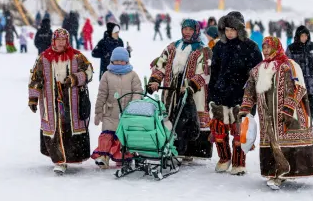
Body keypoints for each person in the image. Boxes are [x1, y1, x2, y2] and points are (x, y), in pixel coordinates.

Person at [239, 36, 313, 190]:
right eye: (264, 48)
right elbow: (249, 90)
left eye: (268, 47)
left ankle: (287, 171)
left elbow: (299, 87)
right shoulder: (257, 69)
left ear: (276, 47)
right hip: (267, 114)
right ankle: (274, 172)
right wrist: (245, 108)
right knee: (271, 140)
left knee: (285, 141)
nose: (266, 51)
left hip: (288, 113)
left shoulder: (289, 65)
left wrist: (289, 108)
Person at [28, 28, 94, 174]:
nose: (61, 43)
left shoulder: (77, 56)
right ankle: (59, 161)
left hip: (72, 99)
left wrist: (75, 78)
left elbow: (89, 71)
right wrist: (33, 98)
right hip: (51, 100)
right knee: (55, 129)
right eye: (58, 40)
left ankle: (69, 157)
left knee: (68, 128)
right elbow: (35, 78)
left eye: (64, 40)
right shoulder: (44, 57)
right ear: (53, 40)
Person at [148, 19, 212, 161]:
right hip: (171, 91)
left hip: (192, 93)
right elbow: (161, 65)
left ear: (196, 30)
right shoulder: (172, 47)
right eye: (185, 29)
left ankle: (190, 151)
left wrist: (190, 87)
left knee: (189, 119)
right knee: (171, 118)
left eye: (190, 29)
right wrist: (155, 81)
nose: (187, 32)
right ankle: (173, 147)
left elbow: (204, 73)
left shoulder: (203, 50)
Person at [208, 13, 262, 174]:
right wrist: (211, 95)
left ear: (240, 29)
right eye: (226, 29)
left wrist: (252, 97)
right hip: (220, 94)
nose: (229, 33)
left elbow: (256, 74)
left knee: (239, 132)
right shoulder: (218, 46)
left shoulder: (251, 47)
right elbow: (215, 72)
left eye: (233, 29)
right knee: (219, 131)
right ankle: (224, 158)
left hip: (241, 95)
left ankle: (239, 163)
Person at [91, 47, 143, 169]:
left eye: (122, 60)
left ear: (127, 61)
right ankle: (104, 157)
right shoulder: (107, 75)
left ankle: (123, 158)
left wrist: (134, 105)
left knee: (123, 138)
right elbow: (102, 95)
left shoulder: (132, 75)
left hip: (127, 114)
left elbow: (138, 91)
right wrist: (98, 112)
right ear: (112, 60)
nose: (119, 62)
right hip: (110, 113)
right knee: (107, 136)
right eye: (117, 60)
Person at [286, 26, 313, 119]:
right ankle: (300, 127)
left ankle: (310, 124)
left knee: (310, 105)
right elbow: (287, 63)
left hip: (310, 83)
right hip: (297, 83)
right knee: (298, 106)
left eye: (306, 36)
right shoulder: (291, 48)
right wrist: (293, 76)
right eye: (302, 36)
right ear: (298, 36)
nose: (304, 38)